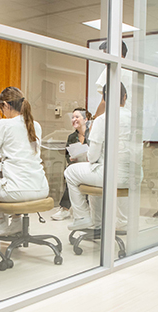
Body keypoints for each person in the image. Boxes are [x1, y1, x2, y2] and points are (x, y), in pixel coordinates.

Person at [65, 83, 131, 231]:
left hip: (111, 176)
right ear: (125, 97)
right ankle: (119, 223)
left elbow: (93, 155)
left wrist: (92, 160)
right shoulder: (134, 118)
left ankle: (83, 217)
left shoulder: (103, 119)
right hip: (133, 175)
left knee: (71, 172)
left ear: (105, 99)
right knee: (94, 174)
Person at [0, 87, 49, 238]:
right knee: (9, 179)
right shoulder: (36, 125)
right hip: (41, 188)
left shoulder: (5, 124)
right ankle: (16, 222)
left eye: (2, 108)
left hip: (17, 192)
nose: (2, 112)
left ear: (6, 105)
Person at [51, 108, 90, 221]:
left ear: (85, 119)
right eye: (72, 117)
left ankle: (73, 208)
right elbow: (67, 155)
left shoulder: (92, 135)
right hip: (77, 166)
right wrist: (71, 159)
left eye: (77, 117)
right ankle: (65, 209)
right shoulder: (71, 137)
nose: (74, 119)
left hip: (90, 166)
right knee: (71, 173)